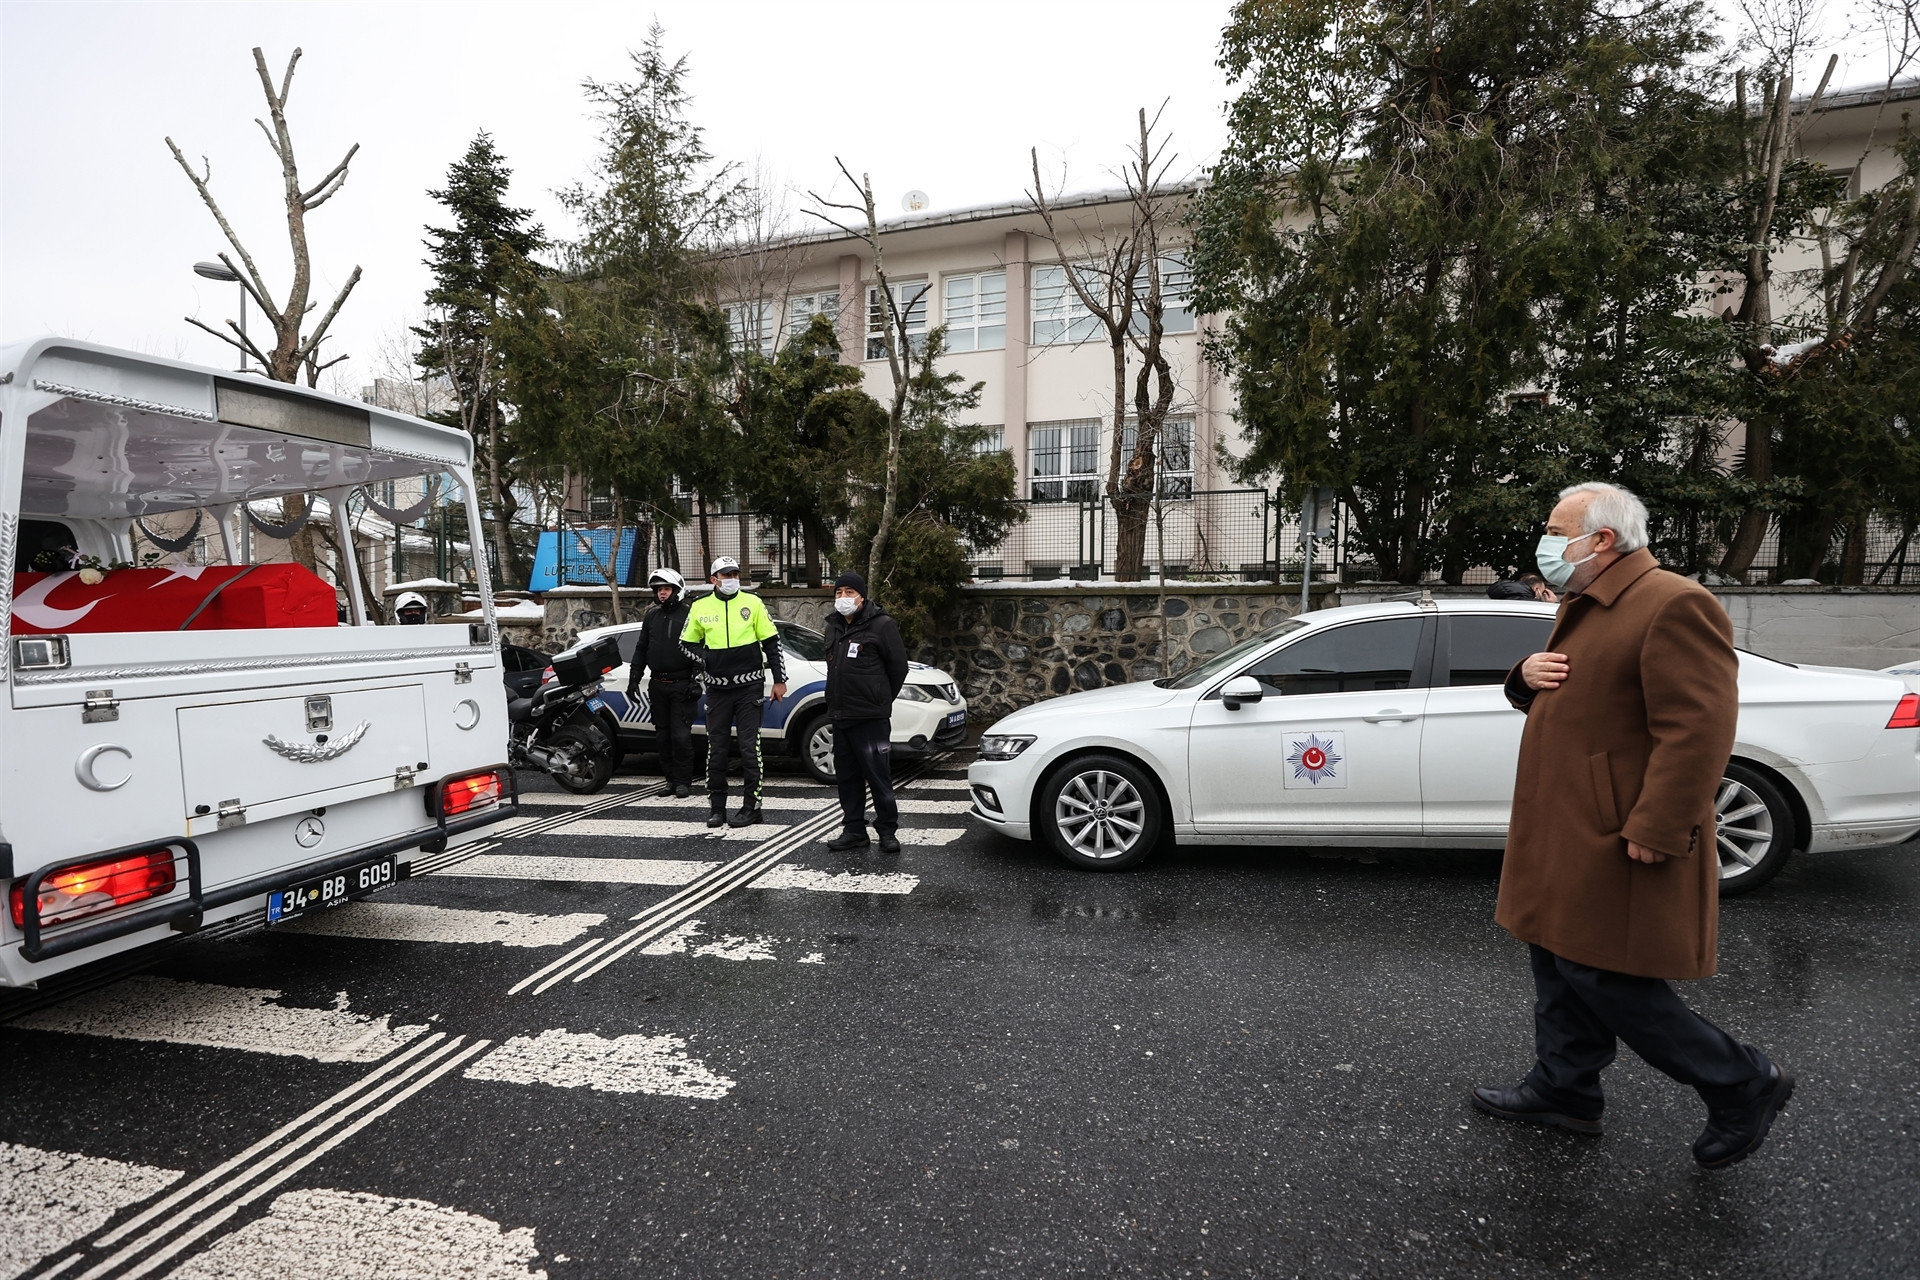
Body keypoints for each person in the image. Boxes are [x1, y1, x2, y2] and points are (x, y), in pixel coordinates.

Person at [1472, 481, 1791, 1169]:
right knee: (1556, 959)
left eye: (1557, 532)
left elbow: (1698, 730)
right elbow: (1575, 694)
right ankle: (1566, 1090)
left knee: (1606, 976)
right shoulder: (1589, 601)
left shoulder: (1672, 603)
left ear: (1602, 541)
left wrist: (1660, 824)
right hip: (1566, 825)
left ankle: (1740, 1081)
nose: (1547, 545)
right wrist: (1522, 677)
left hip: (1615, 831)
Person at [680, 556, 786, 828]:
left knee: (750, 749)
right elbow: (685, 644)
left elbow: (772, 642)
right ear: (713, 579)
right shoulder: (700, 607)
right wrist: (707, 659)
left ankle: (752, 807)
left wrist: (779, 679)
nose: (731, 580)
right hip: (717, 690)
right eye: (725, 575)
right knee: (717, 750)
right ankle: (717, 808)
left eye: (735, 574)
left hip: (750, 687)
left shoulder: (753, 603)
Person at [820, 570, 909, 854]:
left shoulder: (882, 625)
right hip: (841, 716)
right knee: (846, 777)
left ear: (862, 596)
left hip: (871, 718)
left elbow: (899, 668)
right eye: (838, 592)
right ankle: (854, 830)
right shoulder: (832, 626)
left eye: (849, 592)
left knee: (878, 775)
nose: (843, 598)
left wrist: (880, 700)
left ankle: (887, 830)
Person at [626, 568, 697, 799]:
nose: (662, 593)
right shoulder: (651, 616)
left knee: (681, 737)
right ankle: (670, 780)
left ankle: (684, 781)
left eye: (666, 589)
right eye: (658, 590)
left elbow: (701, 647)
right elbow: (641, 648)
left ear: (677, 590)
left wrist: (697, 679)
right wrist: (633, 679)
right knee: (663, 737)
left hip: (681, 685)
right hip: (657, 685)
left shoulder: (690, 615)